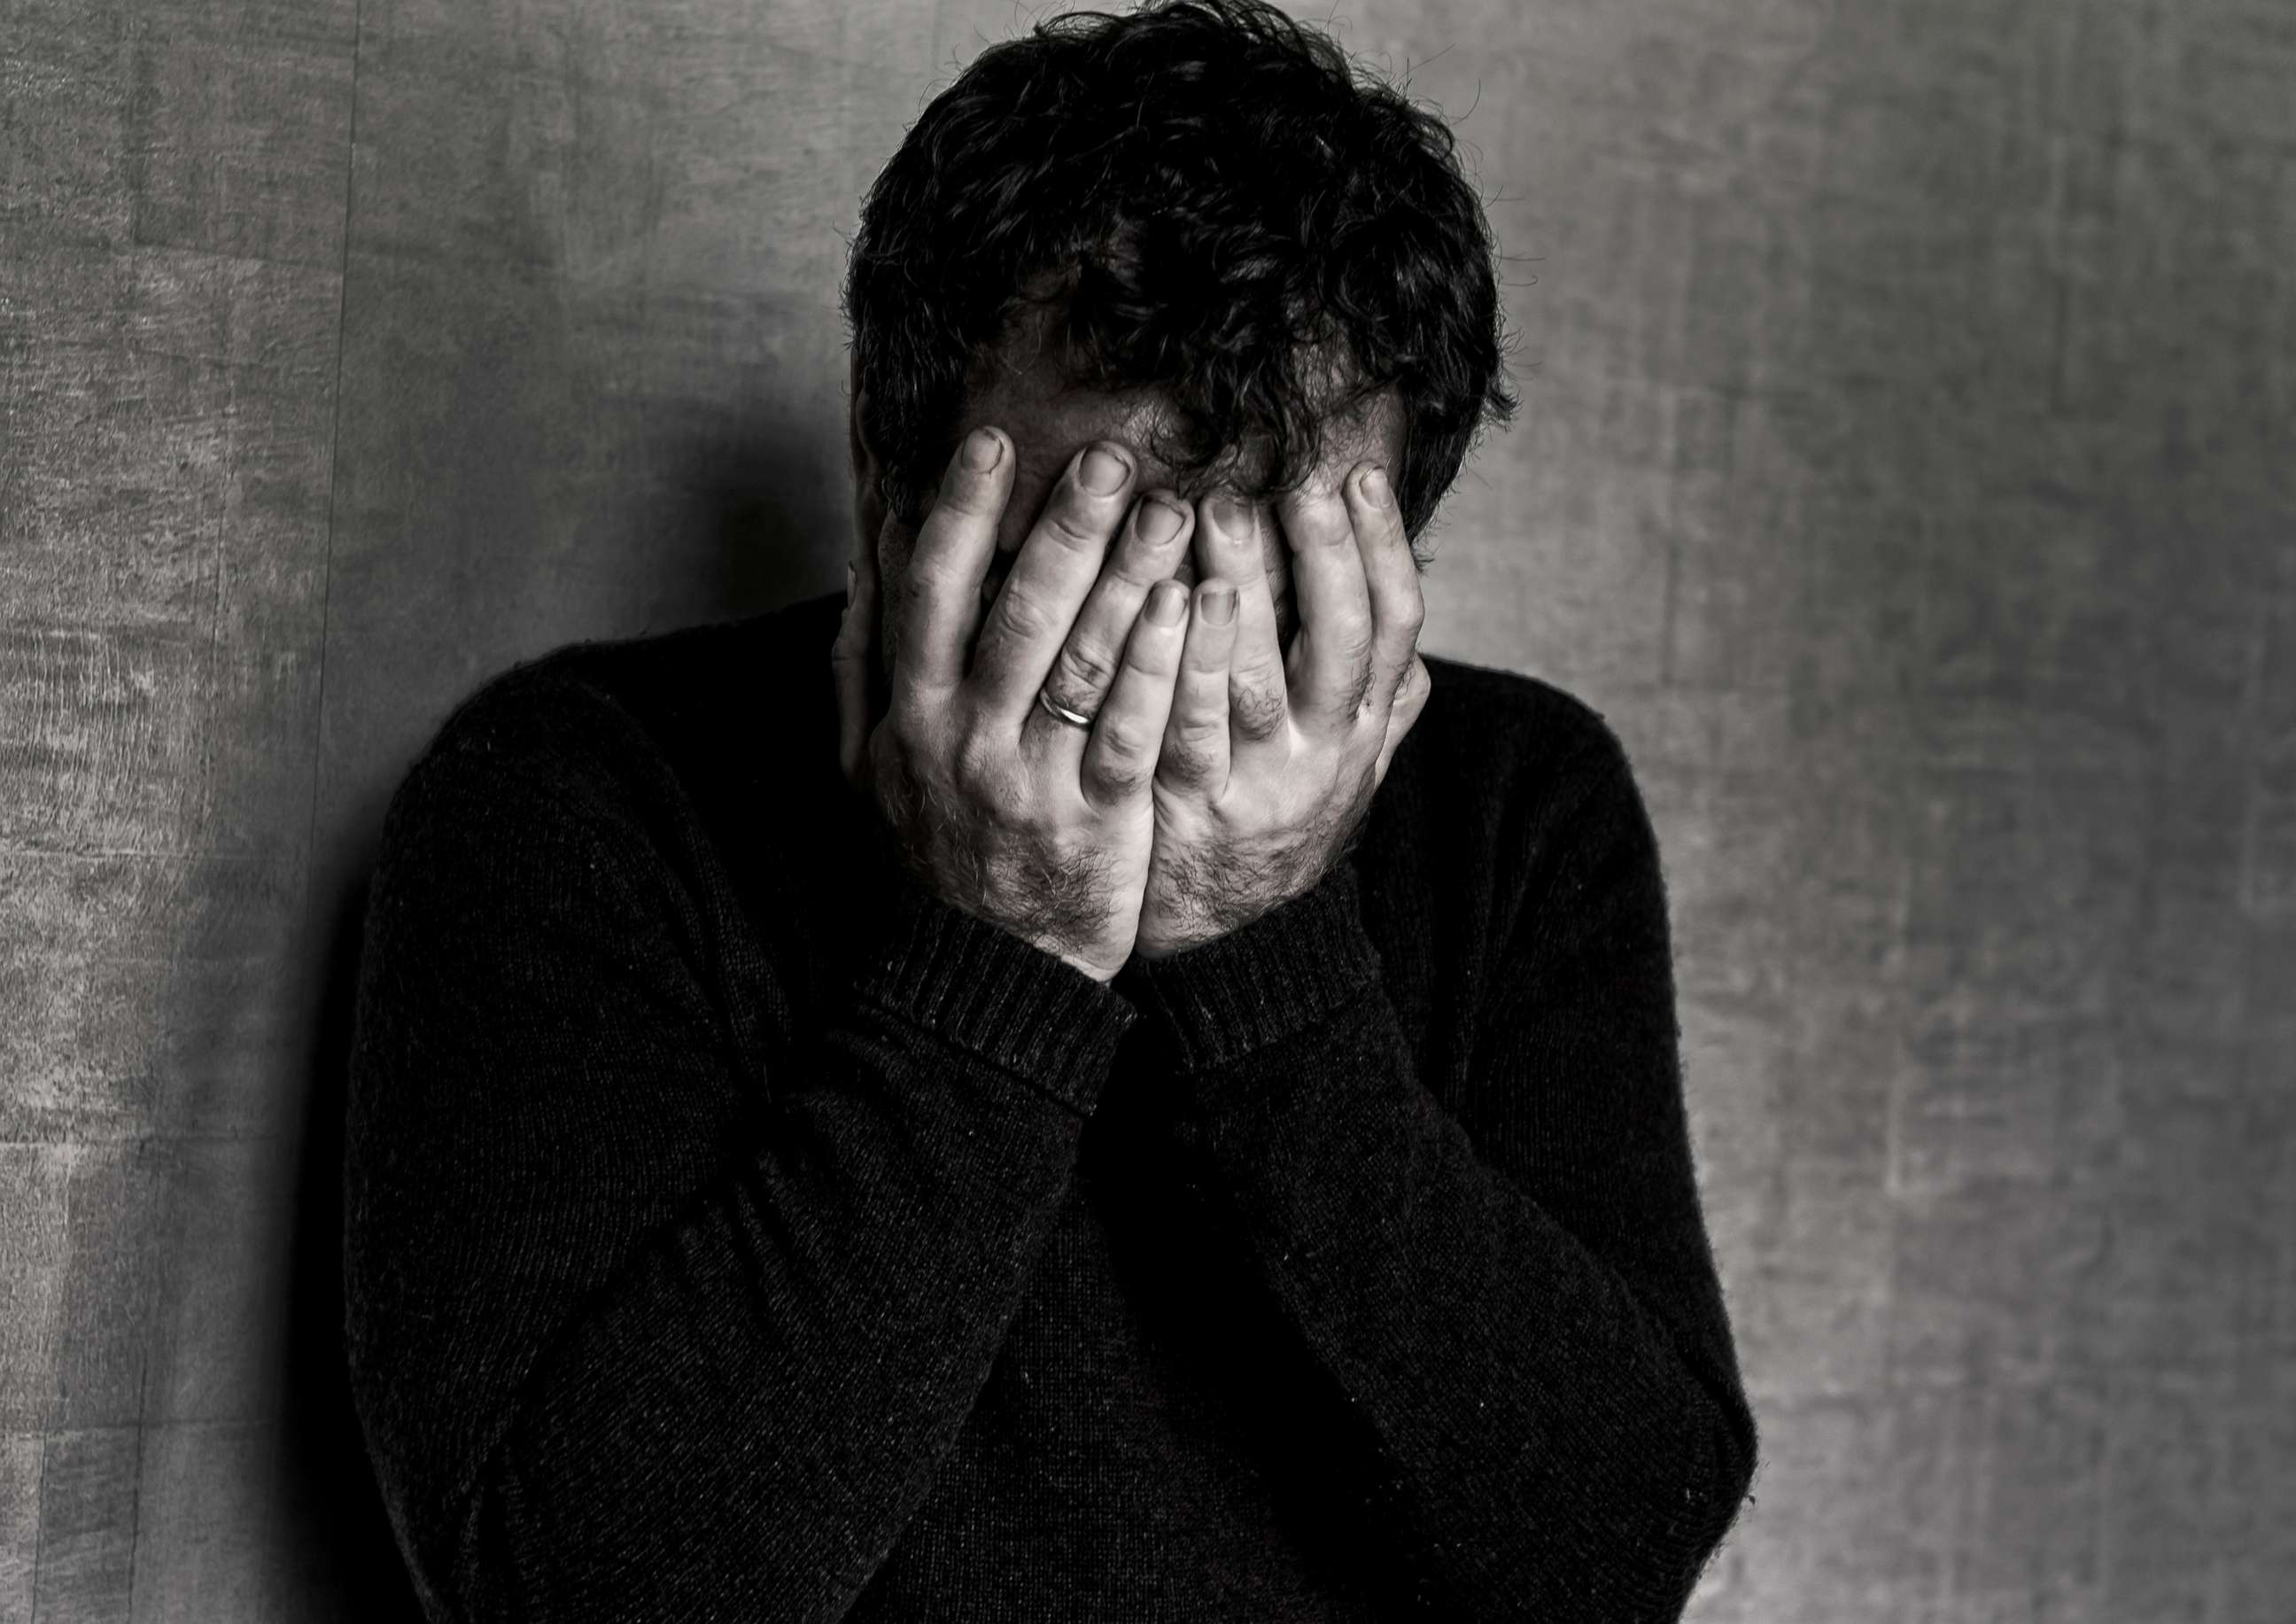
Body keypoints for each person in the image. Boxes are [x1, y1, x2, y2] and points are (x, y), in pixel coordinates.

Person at [342, 1, 1758, 1619]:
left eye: (1266, 587)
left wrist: (1266, 954)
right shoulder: (581, 799)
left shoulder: (1518, 809)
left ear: (1397, 573)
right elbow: (576, 1593)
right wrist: (1001, 955)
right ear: (893, 488)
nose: (1166, 674)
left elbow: (1613, 1547)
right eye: (1097, 559)